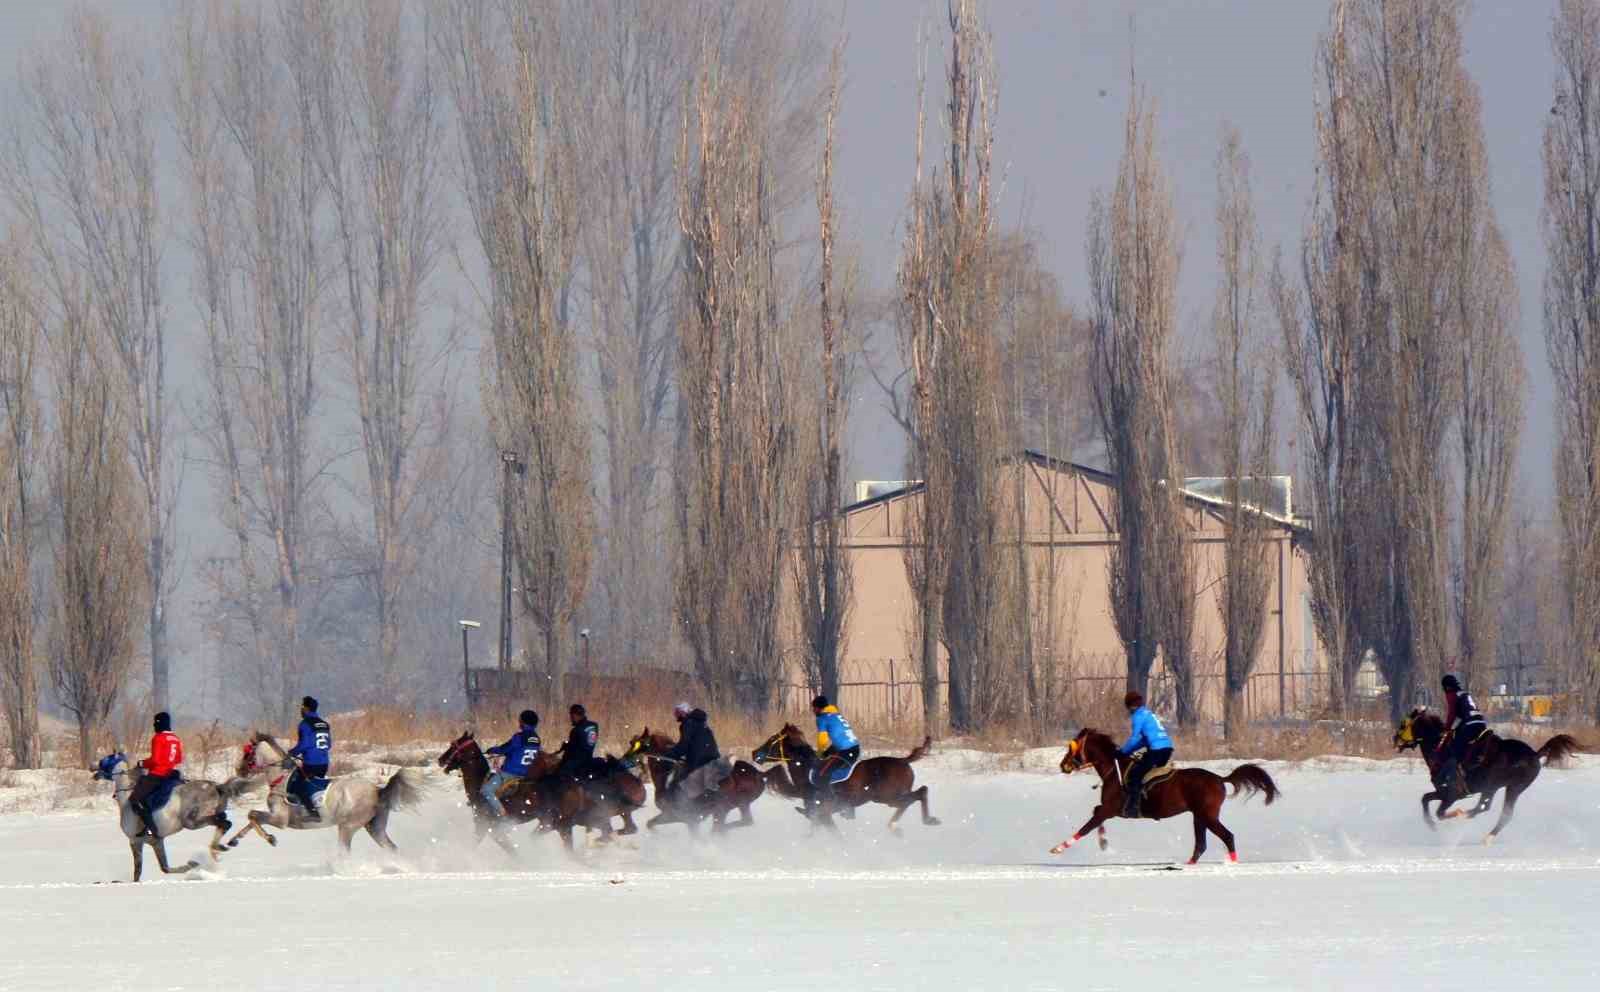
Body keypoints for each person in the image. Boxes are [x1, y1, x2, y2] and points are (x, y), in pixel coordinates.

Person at [1116, 691, 1173, 819]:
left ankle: (1134, 808)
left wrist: (1122, 752)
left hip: (1156, 750)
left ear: (1130, 706)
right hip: (1167, 749)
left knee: (1134, 775)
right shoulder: (1149, 714)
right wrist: (1127, 751)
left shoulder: (1137, 716)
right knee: (1149, 773)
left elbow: (1135, 738)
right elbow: (1143, 740)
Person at [129, 712, 184, 837]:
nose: (154, 725)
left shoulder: (158, 738)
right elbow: (178, 758)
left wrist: (142, 763)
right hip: (171, 773)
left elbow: (155, 760)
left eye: (155, 722)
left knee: (135, 800)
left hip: (158, 774)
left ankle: (151, 829)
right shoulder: (175, 738)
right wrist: (168, 762)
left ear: (159, 723)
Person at [482, 710, 541, 818]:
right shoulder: (537, 739)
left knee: (486, 790)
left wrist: (492, 750)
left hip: (509, 774)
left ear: (523, 722)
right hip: (526, 775)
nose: (519, 722)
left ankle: (502, 813)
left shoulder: (519, 736)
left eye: (520, 720)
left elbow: (505, 748)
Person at [1437, 673, 1487, 796]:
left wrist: (1446, 728)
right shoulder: (1464, 693)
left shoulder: (1451, 694)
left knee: (1454, 748)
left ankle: (1452, 779)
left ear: (1447, 687)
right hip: (1481, 722)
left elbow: (1452, 714)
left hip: (1470, 724)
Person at [807, 695, 860, 810]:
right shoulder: (836, 715)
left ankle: (833, 804)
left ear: (818, 708)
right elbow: (839, 737)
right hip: (853, 748)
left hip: (845, 751)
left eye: (814, 708)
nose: (813, 711)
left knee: (820, 775)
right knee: (825, 766)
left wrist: (821, 752)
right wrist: (824, 754)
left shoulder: (822, 718)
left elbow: (823, 740)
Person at [664, 702, 724, 803]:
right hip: (712, 757)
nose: (676, 716)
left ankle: (683, 805)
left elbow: (684, 745)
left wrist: (670, 753)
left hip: (699, 759)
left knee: (679, 780)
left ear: (684, 713)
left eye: (677, 713)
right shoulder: (701, 722)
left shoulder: (688, 723)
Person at [287, 696, 332, 821]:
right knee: (314, 785)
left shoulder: (304, 724)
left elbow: (304, 744)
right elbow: (329, 745)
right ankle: (318, 805)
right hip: (324, 763)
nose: (300, 710)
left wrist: (291, 752)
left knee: (297, 785)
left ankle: (312, 812)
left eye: (301, 707)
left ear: (306, 709)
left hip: (311, 764)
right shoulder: (324, 724)